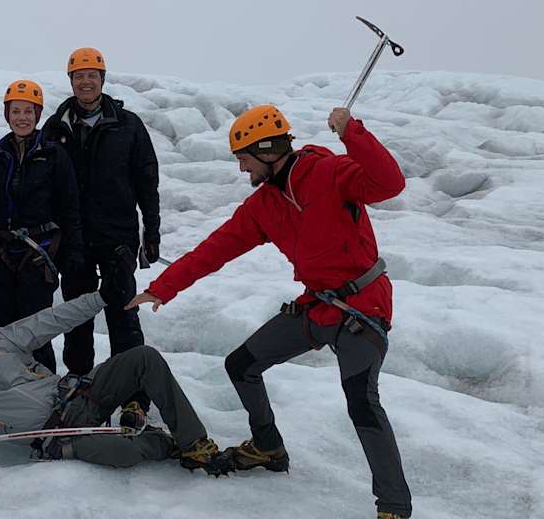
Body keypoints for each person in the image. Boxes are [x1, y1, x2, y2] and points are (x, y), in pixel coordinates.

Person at [126, 105, 413, 519]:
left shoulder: (331, 173)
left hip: (362, 307)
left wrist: (352, 132)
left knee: (361, 402)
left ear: (266, 150)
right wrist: (161, 288)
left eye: (243, 158)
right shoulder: (264, 206)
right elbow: (215, 249)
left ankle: (394, 507)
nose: (242, 169)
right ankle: (268, 447)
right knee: (241, 364)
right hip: (318, 307)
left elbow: (390, 182)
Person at [0, 284, 221, 472]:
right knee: (122, 452)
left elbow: (51, 320)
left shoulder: (0, 340)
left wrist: (98, 298)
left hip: (79, 394)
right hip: (53, 434)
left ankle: (195, 444)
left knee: (144, 357)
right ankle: (163, 444)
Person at [40, 47, 159, 427]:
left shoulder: (127, 124)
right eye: (79, 76)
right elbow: (42, 184)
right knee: (77, 314)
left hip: (117, 237)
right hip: (73, 239)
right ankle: (80, 380)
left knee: (123, 314)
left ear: (103, 80)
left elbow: (147, 180)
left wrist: (151, 230)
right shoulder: (56, 128)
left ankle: (134, 396)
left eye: (93, 75)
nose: (86, 82)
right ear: (71, 81)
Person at [0, 79, 83, 373]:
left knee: (36, 330)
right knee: (1, 329)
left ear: (38, 115)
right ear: (7, 115)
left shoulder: (54, 154)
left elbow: (69, 205)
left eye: (28, 111)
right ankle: (4, 386)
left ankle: (43, 389)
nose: (22, 117)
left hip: (37, 252)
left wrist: (73, 250)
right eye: (16, 111)